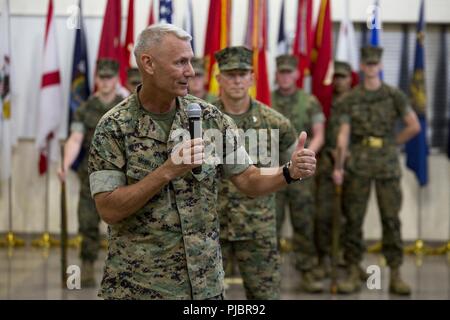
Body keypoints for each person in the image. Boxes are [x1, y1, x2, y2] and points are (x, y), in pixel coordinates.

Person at [87, 24, 316, 300]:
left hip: (203, 286)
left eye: (191, 61)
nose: (191, 72)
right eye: (181, 62)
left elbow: (248, 179)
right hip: (137, 286)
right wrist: (167, 171)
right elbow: (109, 209)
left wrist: (288, 172)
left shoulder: (210, 118)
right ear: (148, 63)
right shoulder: (113, 127)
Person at [333, 46, 421, 295]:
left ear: (380, 66)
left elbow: (413, 126)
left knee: (391, 219)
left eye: (375, 64)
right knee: (354, 219)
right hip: (359, 163)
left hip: (387, 165)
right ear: (361, 67)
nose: (371, 68)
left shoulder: (394, 95)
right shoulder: (350, 98)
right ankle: (352, 270)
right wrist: (338, 167)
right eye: (367, 64)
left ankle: (396, 273)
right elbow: (343, 136)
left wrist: (393, 143)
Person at [213, 46, 297, 299]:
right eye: (230, 74)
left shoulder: (276, 123)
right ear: (219, 79)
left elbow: (292, 168)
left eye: (243, 74)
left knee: (264, 297)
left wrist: (300, 165)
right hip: (211, 225)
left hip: (257, 226)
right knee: (204, 298)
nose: (237, 80)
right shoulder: (203, 120)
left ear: (252, 77)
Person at [58, 59, 124, 287]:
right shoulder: (85, 108)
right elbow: (75, 138)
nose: (105, 82)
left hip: (122, 179)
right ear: (96, 79)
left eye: (109, 78)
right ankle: (87, 265)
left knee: (123, 225)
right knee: (87, 222)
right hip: (91, 177)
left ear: (116, 79)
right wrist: (65, 164)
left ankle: (122, 270)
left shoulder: (126, 106)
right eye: (102, 78)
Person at [271, 54, 325, 293]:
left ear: (296, 74)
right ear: (276, 74)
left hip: (301, 174)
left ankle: (307, 272)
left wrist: (304, 158)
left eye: (288, 72)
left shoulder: (309, 101)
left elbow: (319, 133)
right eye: (281, 72)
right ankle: (268, 275)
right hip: (273, 173)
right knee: (271, 224)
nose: (285, 76)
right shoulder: (266, 98)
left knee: (303, 223)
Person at [314, 61, 353, 278]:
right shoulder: (326, 102)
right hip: (328, 162)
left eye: (344, 77)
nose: (339, 81)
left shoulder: (358, 101)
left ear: (350, 79)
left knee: (351, 216)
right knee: (323, 215)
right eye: (336, 77)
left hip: (353, 164)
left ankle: (349, 260)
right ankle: (324, 259)